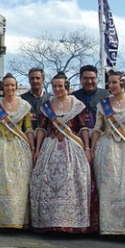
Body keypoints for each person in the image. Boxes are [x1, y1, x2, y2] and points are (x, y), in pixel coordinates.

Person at [29, 72, 95, 233]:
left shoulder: (76, 104)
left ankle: (71, 222)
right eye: (55, 86)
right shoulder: (47, 106)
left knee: (73, 182)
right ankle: (50, 222)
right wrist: (37, 150)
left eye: (61, 86)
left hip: (72, 147)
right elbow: (42, 129)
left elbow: (83, 128)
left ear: (67, 86)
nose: (58, 89)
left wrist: (87, 148)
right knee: (45, 183)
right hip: (50, 148)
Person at [90, 71, 125, 235]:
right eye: (109, 83)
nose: (111, 86)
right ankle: (111, 226)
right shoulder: (103, 105)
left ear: (123, 84)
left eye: (115, 82)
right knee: (110, 185)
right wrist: (91, 149)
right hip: (108, 148)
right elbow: (97, 128)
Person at [0, 73, 34, 229]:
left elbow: (28, 128)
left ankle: (17, 219)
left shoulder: (24, 106)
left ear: (16, 87)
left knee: (19, 184)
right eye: (7, 85)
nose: (10, 88)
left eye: (12, 85)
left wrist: (32, 148)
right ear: (2, 87)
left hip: (19, 148)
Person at [72, 64, 109, 130]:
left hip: (101, 136)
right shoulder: (73, 97)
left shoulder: (106, 95)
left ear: (97, 79)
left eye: (92, 78)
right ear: (80, 79)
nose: (89, 81)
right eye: (86, 78)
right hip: (79, 137)